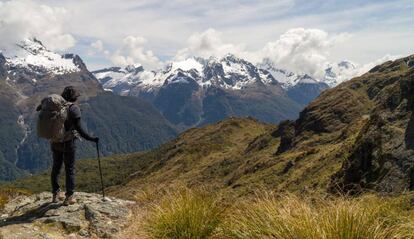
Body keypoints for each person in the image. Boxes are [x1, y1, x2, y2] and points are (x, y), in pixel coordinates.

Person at [38, 86, 99, 205]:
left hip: (55, 141)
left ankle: (55, 194)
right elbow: (79, 129)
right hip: (68, 143)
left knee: (56, 167)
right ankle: (69, 197)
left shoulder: (55, 105)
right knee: (69, 169)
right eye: (77, 96)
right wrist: (91, 139)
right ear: (74, 97)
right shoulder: (73, 108)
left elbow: (38, 109)